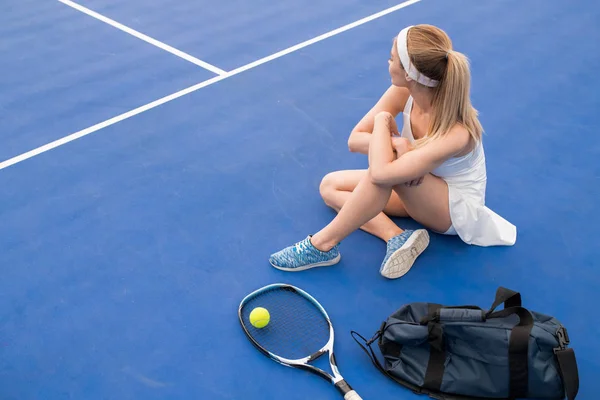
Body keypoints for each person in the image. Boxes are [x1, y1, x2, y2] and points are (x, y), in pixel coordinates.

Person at [269, 24, 517, 279]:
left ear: (409, 73)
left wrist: (382, 123)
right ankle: (397, 237)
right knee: (330, 185)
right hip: (415, 188)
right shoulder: (403, 92)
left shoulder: (457, 132)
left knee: (385, 174)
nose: (388, 61)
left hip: (452, 211)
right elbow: (354, 140)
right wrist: (399, 149)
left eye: (392, 58)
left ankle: (322, 245)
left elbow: (380, 172)